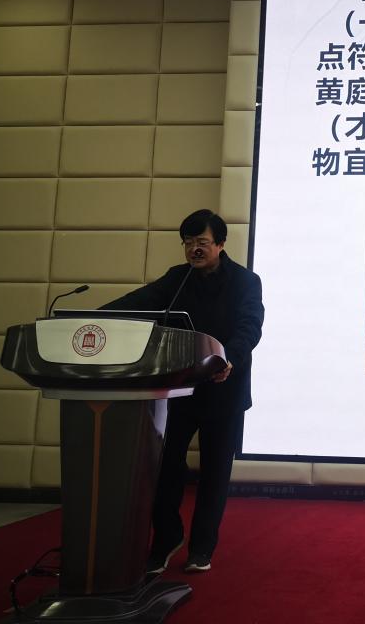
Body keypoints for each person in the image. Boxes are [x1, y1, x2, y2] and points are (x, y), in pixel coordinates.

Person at [102, 209, 264, 573]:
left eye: (201, 242)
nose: (194, 249)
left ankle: (201, 548)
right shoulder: (177, 279)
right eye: (188, 243)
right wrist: (94, 316)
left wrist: (228, 359)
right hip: (181, 389)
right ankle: (166, 540)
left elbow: (250, 326)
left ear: (220, 243)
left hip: (223, 389)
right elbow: (138, 302)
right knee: (164, 470)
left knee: (214, 474)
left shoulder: (245, 281)